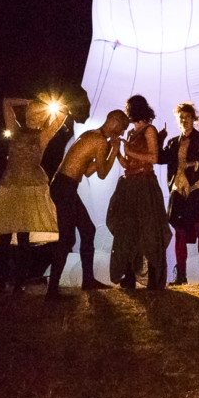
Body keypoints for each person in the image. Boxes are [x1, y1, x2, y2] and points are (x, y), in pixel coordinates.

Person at [0, 97, 67, 294]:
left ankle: (19, 282)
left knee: (24, 237)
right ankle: (1, 282)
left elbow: (63, 114)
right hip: (11, 185)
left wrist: (47, 107)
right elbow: (6, 102)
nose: (30, 116)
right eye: (29, 113)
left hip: (30, 187)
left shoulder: (43, 135)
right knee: (5, 236)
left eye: (34, 113)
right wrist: (28, 102)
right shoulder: (16, 130)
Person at [45, 109, 129, 299]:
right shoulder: (100, 141)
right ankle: (52, 291)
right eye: (122, 128)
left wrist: (109, 152)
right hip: (64, 187)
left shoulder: (91, 135)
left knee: (88, 229)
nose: (122, 133)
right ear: (114, 121)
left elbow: (88, 171)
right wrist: (114, 151)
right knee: (67, 239)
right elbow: (102, 173)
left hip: (64, 186)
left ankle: (88, 281)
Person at [107, 95, 172, 291]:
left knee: (149, 231)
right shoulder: (130, 133)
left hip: (145, 185)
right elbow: (127, 164)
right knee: (128, 231)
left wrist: (129, 150)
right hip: (130, 184)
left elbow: (153, 157)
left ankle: (153, 277)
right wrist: (118, 151)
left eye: (128, 108)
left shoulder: (149, 130)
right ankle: (128, 276)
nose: (126, 112)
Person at [159, 102, 199, 286]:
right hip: (179, 190)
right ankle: (181, 275)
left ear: (194, 118)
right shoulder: (172, 142)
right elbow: (160, 159)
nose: (184, 120)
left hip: (198, 189)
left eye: (187, 117)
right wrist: (160, 139)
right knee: (180, 232)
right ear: (178, 120)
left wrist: (195, 165)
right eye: (181, 118)